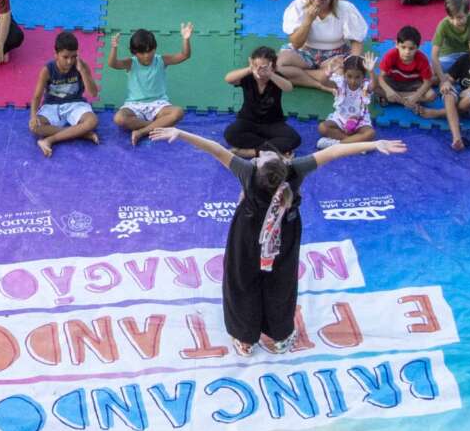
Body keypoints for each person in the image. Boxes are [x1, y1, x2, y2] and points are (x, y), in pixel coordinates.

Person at [148, 127, 406, 352]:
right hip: (284, 236)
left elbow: (215, 149)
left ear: (260, 167)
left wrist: (180, 133)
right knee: (281, 283)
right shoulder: (296, 169)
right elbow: (334, 152)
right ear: (285, 162)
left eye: (263, 156)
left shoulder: (247, 171)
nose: (261, 154)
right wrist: (375, 143)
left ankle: (245, 339)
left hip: (247, 237)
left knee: (241, 282)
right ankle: (280, 337)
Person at [374, 25, 462, 147]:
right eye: (403, 47)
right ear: (396, 44)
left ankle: (393, 100)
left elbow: (427, 82)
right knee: (373, 87)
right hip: (393, 82)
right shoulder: (391, 55)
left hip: (413, 83)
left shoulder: (421, 59)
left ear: (417, 48)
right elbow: (381, 77)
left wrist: (415, 96)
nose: (407, 52)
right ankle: (400, 100)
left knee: (431, 95)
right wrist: (388, 90)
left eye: (411, 48)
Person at [278, 0, 362, 92]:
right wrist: (308, 21)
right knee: (277, 65)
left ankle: (299, 74)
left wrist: (353, 63)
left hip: (335, 53)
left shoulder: (345, 8)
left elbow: (356, 40)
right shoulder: (298, 6)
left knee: (341, 78)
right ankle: (320, 83)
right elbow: (296, 44)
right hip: (305, 50)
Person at [109, 24, 191, 144]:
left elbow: (184, 55)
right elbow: (113, 64)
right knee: (119, 118)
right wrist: (114, 48)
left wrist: (186, 39)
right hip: (134, 105)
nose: (146, 55)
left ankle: (142, 131)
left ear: (155, 48)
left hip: (159, 105)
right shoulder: (131, 63)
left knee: (178, 112)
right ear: (134, 52)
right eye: (142, 53)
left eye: (149, 51)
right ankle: (158, 125)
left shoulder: (161, 60)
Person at [25, 30, 102, 156]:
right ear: (56, 54)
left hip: (75, 104)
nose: (69, 61)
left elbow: (93, 93)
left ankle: (50, 140)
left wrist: (83, 71)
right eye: (65, 57)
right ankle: (81, 133)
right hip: (52, 106)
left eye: (73, 56)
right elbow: (37, 96)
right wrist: (33, 116)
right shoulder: (47, 70)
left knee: (92, 121)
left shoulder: (82, 66)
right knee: (35, 127)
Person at [224, 46, 298, 156]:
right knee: (230, 134)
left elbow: (288, 88)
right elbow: (228, 79)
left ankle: (252, 152)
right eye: (256, 66)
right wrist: (250, 69)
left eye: (264, 67)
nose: (259, 71)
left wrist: (270, 74)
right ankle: (274, 149)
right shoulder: (248, 77)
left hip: (273, 123)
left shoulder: (276, 77)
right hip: (248, 121)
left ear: (273, 67)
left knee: (294, 139)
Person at [318, 50, 376, 141]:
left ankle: (340, 143)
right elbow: (323, 82)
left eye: (357, 77)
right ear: (344, 74)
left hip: (360, 121)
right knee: (322, 127)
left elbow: (374, 86)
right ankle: (349, 141)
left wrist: (371, 72)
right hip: (340, 118)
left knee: (370, 133)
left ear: (363, 76)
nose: (353, 81)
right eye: (349, 76)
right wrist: (328, 72)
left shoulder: (365, 85)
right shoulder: (341, 83)